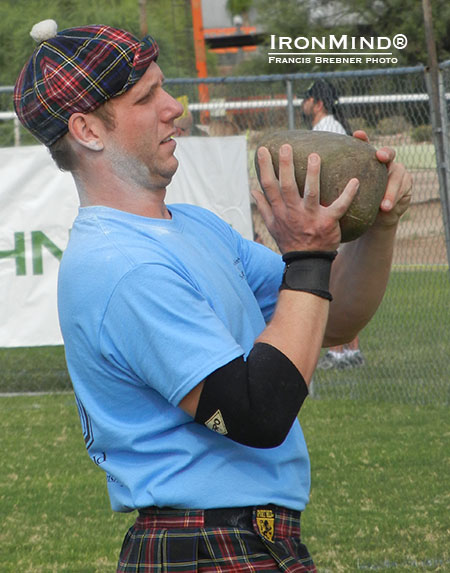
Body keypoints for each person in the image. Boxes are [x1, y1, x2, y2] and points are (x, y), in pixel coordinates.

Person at [14, 20, 412, 572]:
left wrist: (377, 229)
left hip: (249, 536)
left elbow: (330, 319)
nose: (173, 106)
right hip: (204, 545)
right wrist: (308, 254)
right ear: (87, 130)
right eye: (147, 96)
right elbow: (256, 414)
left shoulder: (197, 227)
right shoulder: (121, 265)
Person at [302, 79, 364, 370]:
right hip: (345, 215)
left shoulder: (324, 130)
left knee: (330, 283)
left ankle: (337, 352)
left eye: (307, 98)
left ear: (319, 103)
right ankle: (351, 351)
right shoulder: (335, 127)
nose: (303, 103)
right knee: (345, 282)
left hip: (331, 217)